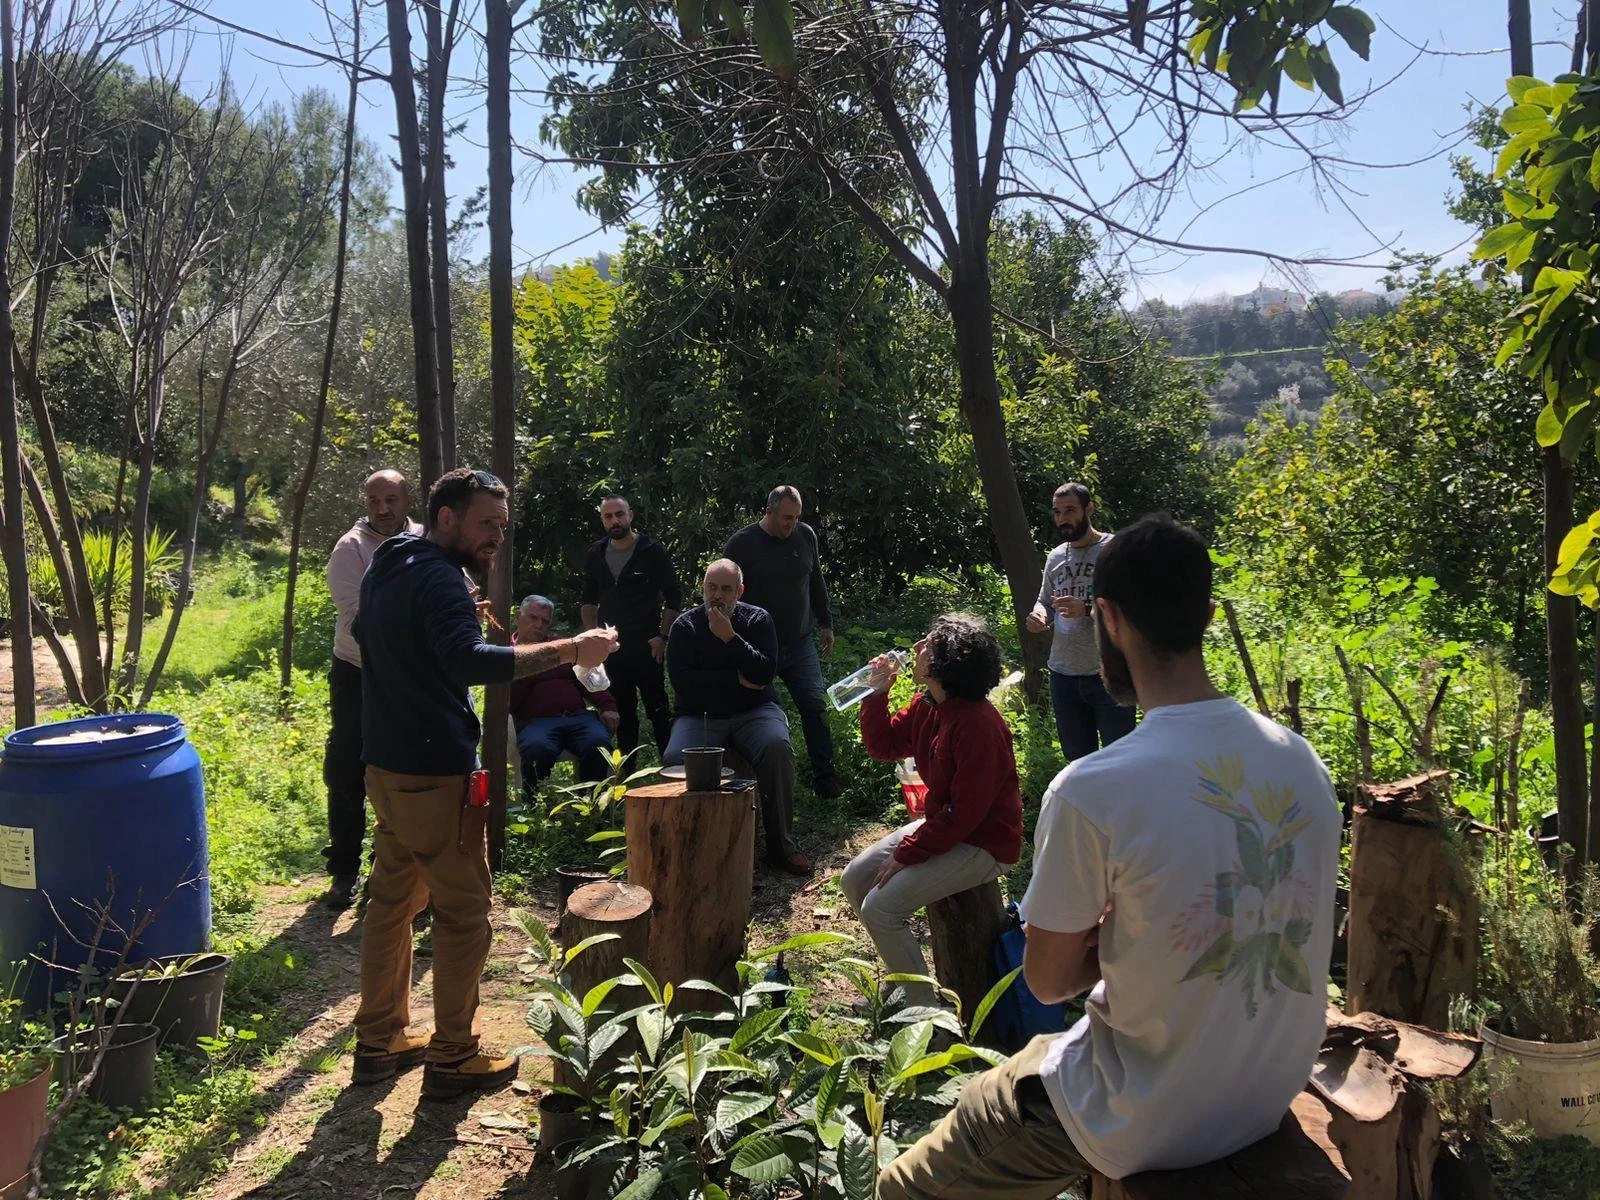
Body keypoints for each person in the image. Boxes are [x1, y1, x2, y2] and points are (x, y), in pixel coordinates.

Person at [878, 515, 1341, 1199]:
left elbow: (1047, 981)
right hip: (1264, 1094)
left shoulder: (1094, 789)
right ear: (1208, 615)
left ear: (1107, 617)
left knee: (898, 1188)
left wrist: (1127, 932)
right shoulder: (1300, 763)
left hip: (1139, 1112)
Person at [351, 467, 618, 1099]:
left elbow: (367, 633)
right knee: (464, 911)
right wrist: (570, 649)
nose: (496, 535)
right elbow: (471, 661)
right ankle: (453, 1055)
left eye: (502, 523)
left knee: (392, 902)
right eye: (485, 523)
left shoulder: (392, 556)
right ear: (446, 517)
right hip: (433, 770)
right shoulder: (440, 576)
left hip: (384, 765)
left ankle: (378, 1039)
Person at [839, 614, 1023, 1008]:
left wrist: (908, 854)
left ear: (945, 664)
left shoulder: (979, 726)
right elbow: (884, 746)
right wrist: (875, 694)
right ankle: (908, 982)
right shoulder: (929, 706)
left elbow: (967, 815)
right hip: (947, 824)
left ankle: (926, 1015)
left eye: (930, 643)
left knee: (881, 907)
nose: (918, 645)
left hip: (983, 844)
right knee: (854, 880)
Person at [663, 559, 811, 876]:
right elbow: (684, 685)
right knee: (676, 759)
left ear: (739, 591)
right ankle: (690, 848)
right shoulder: (685, 627)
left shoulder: (757, 620)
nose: (717, 596)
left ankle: (780, 847)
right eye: (711, 587)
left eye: (726, 589)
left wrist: (730, 638)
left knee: (777, 748)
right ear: (702, 588)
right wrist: (735, 680)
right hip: (699, 715)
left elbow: (763, 673)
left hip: (755, 711)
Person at [322, 469, 420, 910]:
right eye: (374, 499)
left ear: (407, 499)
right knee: (347, 766)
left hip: (411, 676)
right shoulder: (351, 549)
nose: (383, 508)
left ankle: (389, 873)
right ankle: (343, 870)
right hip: (358, 673)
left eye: (392, 499)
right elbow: (357, 618)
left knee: (402, 770)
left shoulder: (425, 539)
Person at [725, 485, 845, 799]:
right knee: (761, 713)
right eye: (785, 518)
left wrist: (826, 623)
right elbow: (726, 596)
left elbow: (815, 579)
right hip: (759, 646)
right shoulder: (742, 545)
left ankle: (825, 778)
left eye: (795, 517)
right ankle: (759, 783)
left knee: (815, 707)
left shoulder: (805, 536)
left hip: (801, 641)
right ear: (769, 512)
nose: (790, 524)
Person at [1025, 483, 1136, 763]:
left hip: (1108, 673)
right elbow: (1045, 601)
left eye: (1070, 510)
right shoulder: (1055, 556)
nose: (1063, 518)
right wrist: (1039, 614)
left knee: (1121, 759)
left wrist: (1086, 610)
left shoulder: (1114, 550)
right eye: (1057, 512)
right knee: (1078, 763)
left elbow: (1129, 610)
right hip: (1063, 675)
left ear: (1089, 509)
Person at [580, 495, 682, 758]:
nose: (615, 520)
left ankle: (673, 769)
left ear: (630, 516)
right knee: (622, 714)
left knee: (658, 710)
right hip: (612, 649)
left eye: (619, 514)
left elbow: (673, 595)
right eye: (608, 516)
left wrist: (663, 636)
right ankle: (625, 781)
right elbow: (588, 600)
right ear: (602, 519)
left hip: (648, 646)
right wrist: (593, 639)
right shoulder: (596, 553)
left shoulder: (651, 550)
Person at [510, 594, 620, 785]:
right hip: (535, 722)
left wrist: (608, 706)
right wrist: (529, 663)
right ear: (518, 617)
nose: (539, 625)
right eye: (533, 618)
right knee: (537, 750)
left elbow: (588, 678)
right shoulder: (507, 653)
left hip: (577, 716)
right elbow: (507, 701)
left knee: (598, 744)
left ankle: (590, 806)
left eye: (545, 621)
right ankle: (534, 807)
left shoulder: (559, 647)